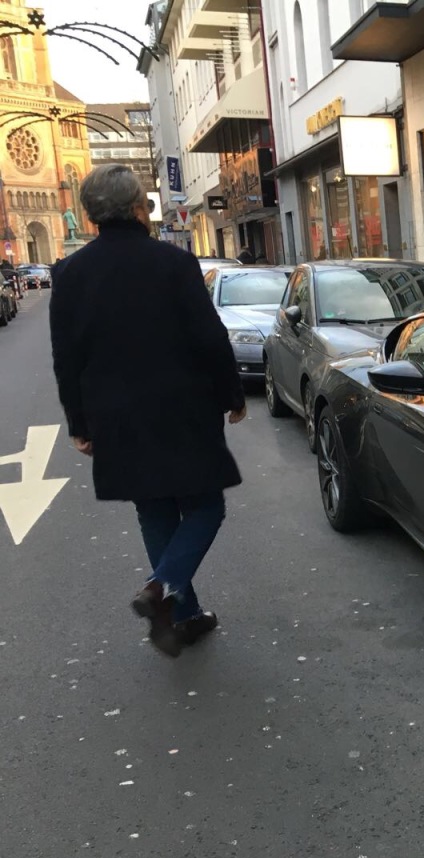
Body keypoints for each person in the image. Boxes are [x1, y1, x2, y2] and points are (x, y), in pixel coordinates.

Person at [49, 164, 247, 657]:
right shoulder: (172, 263)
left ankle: (182, 616)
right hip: (182, 408)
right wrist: (232, 395)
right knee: (205, 506)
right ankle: (162, 590)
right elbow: (209, 336)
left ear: (89, 214)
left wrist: (78, 422)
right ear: (140, 207)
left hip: (115, 416)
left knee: (153, 507)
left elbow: (66, 355)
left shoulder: (70, 273)